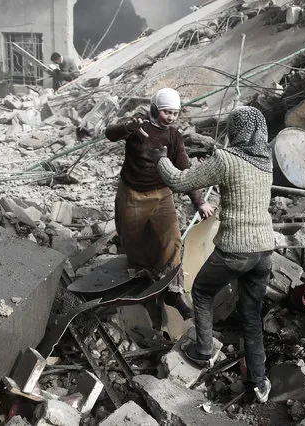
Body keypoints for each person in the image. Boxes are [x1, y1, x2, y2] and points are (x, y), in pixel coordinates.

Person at [153, 106, 276, 403]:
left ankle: (203, 351)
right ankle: (258, 382)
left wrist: (160, 159)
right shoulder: (266, 161)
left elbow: (180, 181)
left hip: (235, 249)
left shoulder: (227, 160)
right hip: (264, 251)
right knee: (251, 315)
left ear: (236, 130)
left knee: (203, 292)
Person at [104, 88, 215, 320]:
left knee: (172, 240)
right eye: (166, 112)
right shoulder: (138, 126)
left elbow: (185, 171)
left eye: (175, 113)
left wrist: (199, 202)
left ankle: (174, 292)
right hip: (133, 193)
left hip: (162, 194)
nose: (171, 117)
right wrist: (128, 128)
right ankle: (143, 286)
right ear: (155, 109)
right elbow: (110, 133)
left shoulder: (174, 136)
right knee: (134, 242)